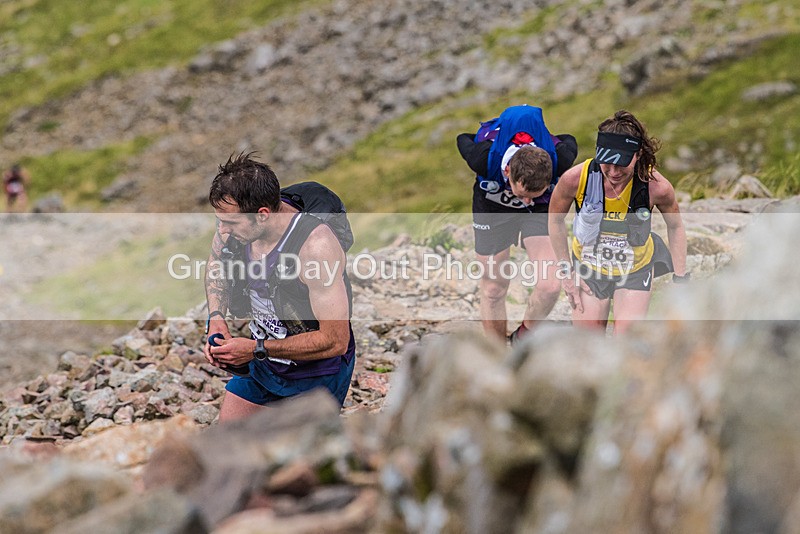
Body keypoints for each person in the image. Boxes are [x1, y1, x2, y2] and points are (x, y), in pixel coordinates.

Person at [203, 153, 355, 422]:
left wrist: (254, 348)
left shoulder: (316, 248)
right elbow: (216, 264)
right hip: (264, 363)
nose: (223, 231)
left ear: (262, 215)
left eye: (230, 223)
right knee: (228, 447)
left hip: (315, 373)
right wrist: (216, 318)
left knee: (296, 460)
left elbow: (336, 340)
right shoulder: (236, 225)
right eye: (220, 221)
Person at [548, 110, 688, 335]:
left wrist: (680, 278)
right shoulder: (574, 179)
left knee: (626, 344)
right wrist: (566, 272)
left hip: (635, 270)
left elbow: (676, 226)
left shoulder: (656, 187)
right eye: (606, 163)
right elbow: (554, 221)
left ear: (638, 154)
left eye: (621, 164)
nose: (613, 172)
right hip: (588, 268)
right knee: (587, 344)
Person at [457, 104, 578, 343]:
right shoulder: (483, 158)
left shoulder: (560, 158)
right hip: (492, 208)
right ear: (508, 171)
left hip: (539, 211)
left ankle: (521, 339)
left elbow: (569, 140)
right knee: (493, 288)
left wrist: (535, 199)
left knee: (551, 285)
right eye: (521, 193)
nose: (523, 200)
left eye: (532, 194)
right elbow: (463, 139)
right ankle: (496, 352)